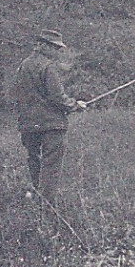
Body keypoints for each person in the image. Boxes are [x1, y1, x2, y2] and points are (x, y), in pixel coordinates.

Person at [9, 28, 87, 203]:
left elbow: (15, 93)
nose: (57, 51)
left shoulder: (23, 65)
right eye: (54, 47)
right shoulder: (48, 67)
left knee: (34, 161)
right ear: (42, 46)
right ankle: (48, 205)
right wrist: (76, 105)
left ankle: (37, 198)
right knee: (50, 165)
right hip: (51, 125)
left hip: (28, 124)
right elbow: (58, 98)